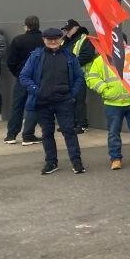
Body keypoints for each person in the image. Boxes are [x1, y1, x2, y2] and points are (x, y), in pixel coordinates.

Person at [19, 28, 85, 175]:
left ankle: (76, 161)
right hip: (43, 102)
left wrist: (72, 94)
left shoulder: (69, 56)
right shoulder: (36, 56)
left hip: (64, 101)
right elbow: (24, 77)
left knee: (69, 131)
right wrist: (38, 91)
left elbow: (79, 77)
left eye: (56, 39)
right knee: (47, 133)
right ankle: (51, 162)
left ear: (61, 39)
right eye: (49, 39)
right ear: (44, 40)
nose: (53, 42)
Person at [85, 38, 130, 170]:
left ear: (126, 44)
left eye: (121, 43)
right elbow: (91, 78)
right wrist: (104, 89)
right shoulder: (100, 60)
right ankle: (115, 159)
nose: (118, 46)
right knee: (114, 132)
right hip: (113, 103)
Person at [4, 15, 43, 145]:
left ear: (26, 26)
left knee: (17, 106)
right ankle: (28, 135)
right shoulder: (45, 40)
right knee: (35, 107)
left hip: (22, 78)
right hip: (39, 79)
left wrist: (18, 74)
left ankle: (11, 135)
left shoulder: (19, 40)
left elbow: (10, 61)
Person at [60, 19, 96, 134]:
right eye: (65, 30)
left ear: (76, 28)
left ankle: (82, 125)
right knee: (68, 100)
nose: (67, 32)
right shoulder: (65, 41)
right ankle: (70, 124)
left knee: (79, 100)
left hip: (79, 75)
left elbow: (87, 56)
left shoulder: (85, 39)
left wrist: (70, 64)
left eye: (68, 30)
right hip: (67, 75)